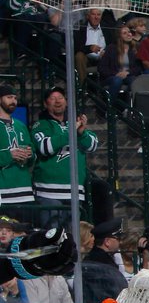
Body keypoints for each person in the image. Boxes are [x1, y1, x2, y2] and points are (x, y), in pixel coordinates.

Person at [31, 88, 98, 224]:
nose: (57, 101)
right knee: (52, 237)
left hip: (75, 192)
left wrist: (81, 133)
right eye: (53, 98)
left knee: (72, 240)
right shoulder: (40, 125)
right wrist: (71, 131)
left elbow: (92, 145)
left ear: (66, 102)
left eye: (61, 97)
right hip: (48, 193)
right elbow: (45, 148)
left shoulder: (75, 125)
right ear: (45, 103)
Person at [0, 84, 35, 222]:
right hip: (3, 191)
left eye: (15, 98)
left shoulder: (21, 125)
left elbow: (33, 154)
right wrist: (10, 155)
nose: (13, 101)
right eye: (9, 97)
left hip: (25, 192)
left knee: (24, 234)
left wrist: (30, 155)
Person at [81, 217, 129, 303]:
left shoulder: (103, 258)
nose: (121, 241)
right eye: (118, 238)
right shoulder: (101, 263)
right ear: (107, 242)